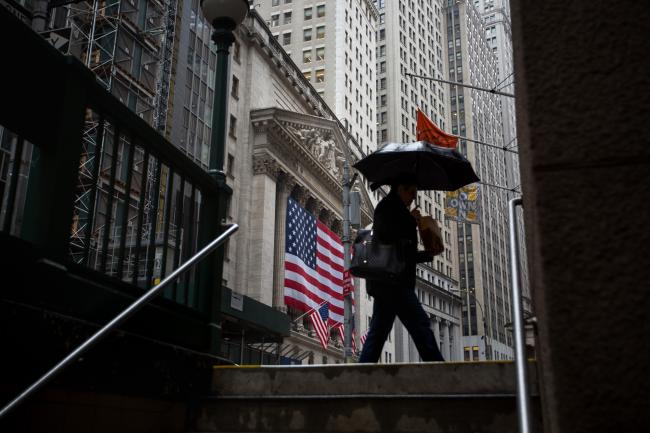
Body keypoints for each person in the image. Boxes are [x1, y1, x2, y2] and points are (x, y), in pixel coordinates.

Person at [358, 173, 445, 363]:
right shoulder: (388, 208)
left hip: (391, 283)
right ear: (400, 189)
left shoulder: (396, 209)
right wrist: (410, 220)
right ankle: (440, 369)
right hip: (394, 283)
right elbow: (390, 243)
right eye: (411, 192)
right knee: (420, 325)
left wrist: (428, 253)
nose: (414, 198)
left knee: (379, 332)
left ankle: (362, 372)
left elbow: (404, 252)